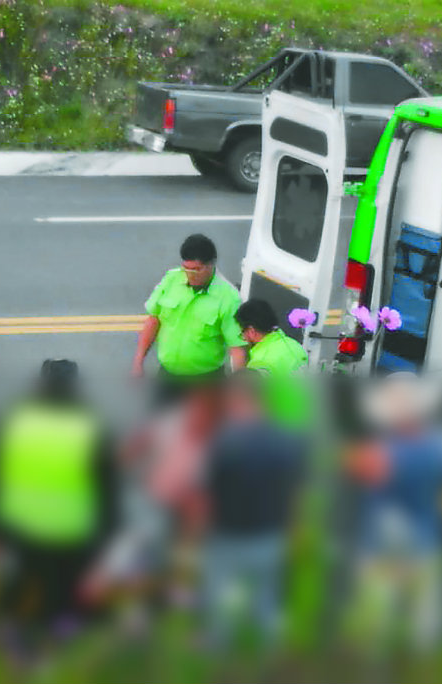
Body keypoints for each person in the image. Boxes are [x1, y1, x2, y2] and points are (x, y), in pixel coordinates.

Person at [0, 359, 119, 657]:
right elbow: (108, 486)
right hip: (72, 525)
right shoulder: (91, 425)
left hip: (20, 522)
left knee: (25, 577)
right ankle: (56, 636)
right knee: (64, 585)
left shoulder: (13, 421)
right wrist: (108, 534)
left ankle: (14, 635)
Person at [343, 372, 442, 657]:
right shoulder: (437, 445)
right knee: (407, 616)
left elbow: (372, 475)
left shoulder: (388, 449)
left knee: (402, 615)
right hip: (412, 540)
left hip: (399, 542)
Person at [200, 371, 306, 652]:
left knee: (222, 594)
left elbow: (209, 491)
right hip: (270, 532)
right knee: (268, 597)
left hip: (228, 532)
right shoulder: (287, 438)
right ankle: (273, 650)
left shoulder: (223, 441)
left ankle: (219, 645)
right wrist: (294, 530)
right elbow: (296, 490)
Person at [133, 234, 247, 407]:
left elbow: (236, 347)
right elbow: (153, 321)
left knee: (205, 432)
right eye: (186, 268)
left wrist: (239, 389)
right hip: (168, 379)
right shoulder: (171, 280)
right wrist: (138, 361)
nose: (190, 275)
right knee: (158, 428)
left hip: (206, 384)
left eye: (197, 269)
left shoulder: (228, 297)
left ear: (211, 264)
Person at [236, 298, 311, 428]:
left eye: (243, 333)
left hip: (280, 430)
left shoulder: (260, 362)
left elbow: (253, 412)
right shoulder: (295, 346)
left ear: (251, 331)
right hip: (303, 423)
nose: (243, 338)